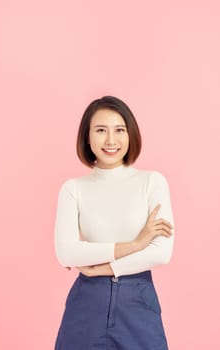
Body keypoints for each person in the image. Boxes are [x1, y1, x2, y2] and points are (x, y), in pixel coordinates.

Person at [54, 95, 175, 350]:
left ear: (130, 134)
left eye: (119, 130)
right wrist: (136, 243)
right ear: (87, 137)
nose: (111, 140)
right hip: (86, 303)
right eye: (100, 130)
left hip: (138, 302)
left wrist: (100, 268)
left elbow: (161, 253)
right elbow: (66, 253)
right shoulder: (73, 189)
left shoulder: (152, 182)